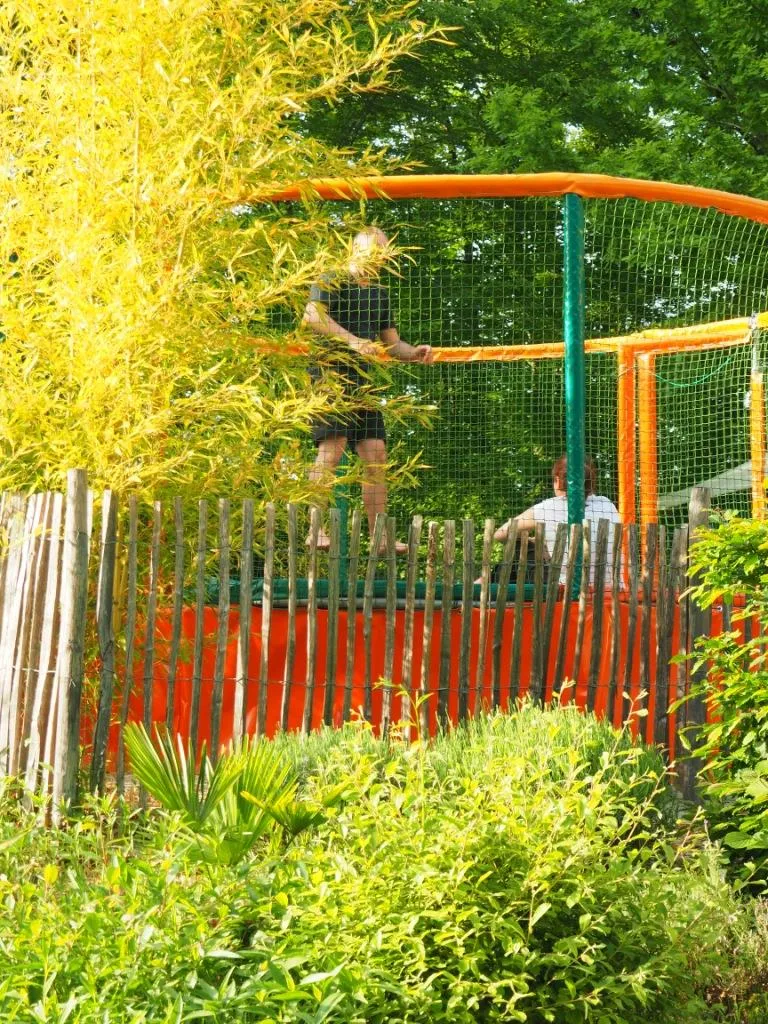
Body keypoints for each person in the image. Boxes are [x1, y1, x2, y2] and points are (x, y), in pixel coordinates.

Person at [303, 227, 433, 553]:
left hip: (363, 381)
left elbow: (392, 344)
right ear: (355, 250)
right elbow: (312, 316)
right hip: (330, 375)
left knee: (376, 453)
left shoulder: (379, 294)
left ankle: (380, 537)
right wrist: (353, 341)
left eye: (383, 252)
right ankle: (315, 530)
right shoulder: (332, 278)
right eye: (373, 251)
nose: (379, 258)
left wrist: (414, 352)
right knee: (332, 449)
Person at [494, 455, 621, 586]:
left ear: (557, 480)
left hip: (565, 590)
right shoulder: (607, 505)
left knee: (519, 546)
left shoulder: (548, 507)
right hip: (611, 589)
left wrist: (533, 542)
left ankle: (490, 584)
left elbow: (500, 534)